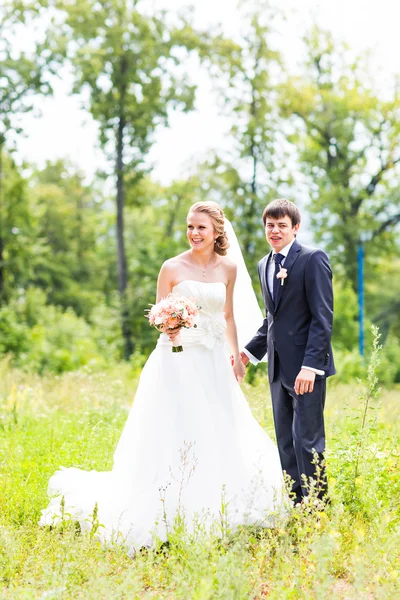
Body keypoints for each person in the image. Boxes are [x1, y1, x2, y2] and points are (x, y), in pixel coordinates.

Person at [40, 201, 286, 554]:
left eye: (201, 227)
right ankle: (169, 505)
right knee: (177, 426)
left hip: (214, 360)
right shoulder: (171, 267)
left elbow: (229, 316)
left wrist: (237, 358)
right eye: (190, 226)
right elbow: (158, 313)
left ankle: (216, 502)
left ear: (217, 231)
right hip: (177, 360)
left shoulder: (229, 268)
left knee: (218, 427)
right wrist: (168, 326)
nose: (194, 233)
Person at [241, 199, 335, 506]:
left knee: (307, 441)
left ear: (295, 228)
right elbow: (272, 319)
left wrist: (311, 366)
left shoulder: (312, 259)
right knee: (285, 442)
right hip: (277, 368)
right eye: (270, 225)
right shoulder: (264, 264)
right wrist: (248, 353)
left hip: (306, 369)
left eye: (282, 225)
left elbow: (322, 318)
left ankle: (317, 507)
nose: (275, 231)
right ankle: (297, 505)